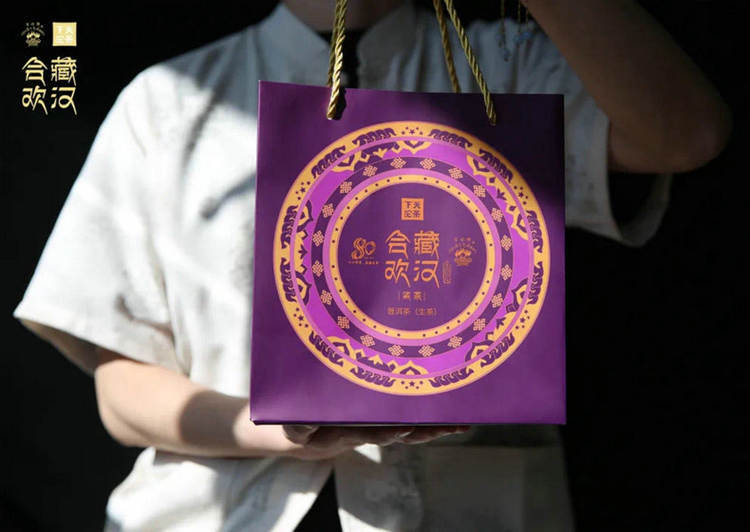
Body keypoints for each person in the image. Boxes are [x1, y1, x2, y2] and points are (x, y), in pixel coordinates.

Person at [12, 0, 731, 530]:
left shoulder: (507, 69)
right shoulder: (168, 101)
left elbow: (687, 133)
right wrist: (276, 428)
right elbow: (121, 390)